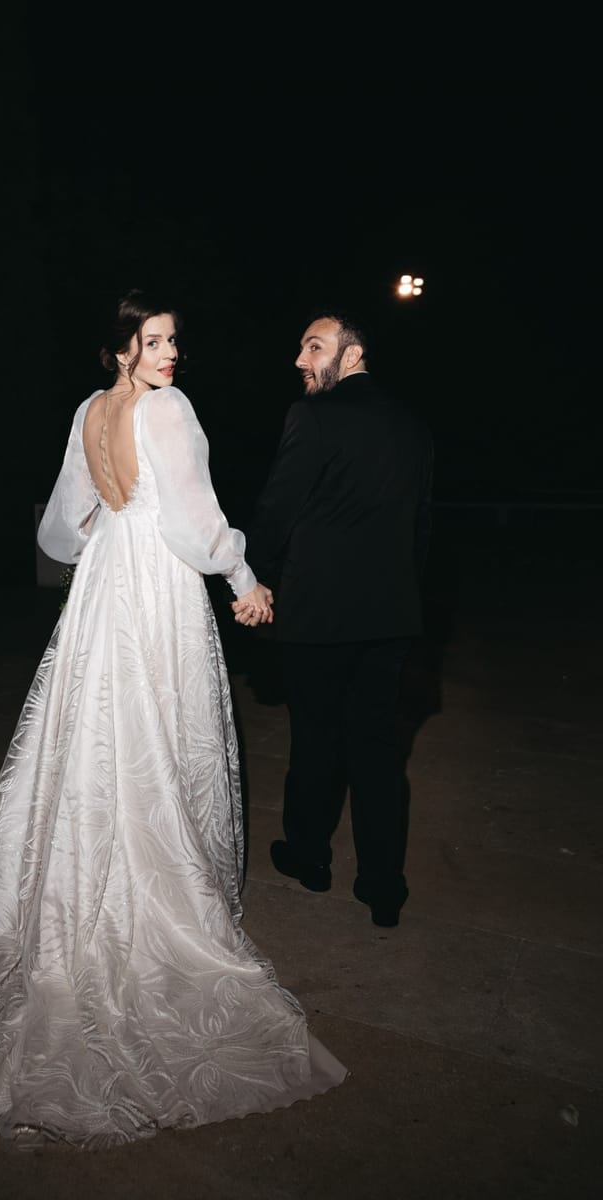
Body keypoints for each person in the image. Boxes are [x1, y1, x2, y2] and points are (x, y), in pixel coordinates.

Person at [0, 289, 347, 1149]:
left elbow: (60, 529)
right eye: (153, 342)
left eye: (172, 341)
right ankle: (155, 898)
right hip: (158, 589)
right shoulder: (169, 410)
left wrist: (106, 537)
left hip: (102, 586)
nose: (169, 354)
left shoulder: (88, 412)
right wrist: (244, 579)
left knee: (94, 734)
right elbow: (196, 523)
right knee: (158, 731)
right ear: (123, 348)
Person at [235, 306, 433, 927]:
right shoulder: (413, 425)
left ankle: (309, 858)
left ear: (352, 354)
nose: (300, 359)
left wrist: (251, 575)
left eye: (314, 347)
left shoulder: (312, 415)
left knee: (316, 739)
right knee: (378, 750)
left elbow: (278, 508)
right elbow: (421, 529)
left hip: (319, 615)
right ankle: (382, 886)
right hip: (391, 616)